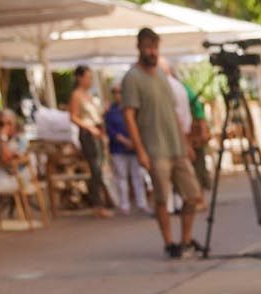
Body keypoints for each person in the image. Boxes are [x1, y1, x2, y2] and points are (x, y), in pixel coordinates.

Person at [122, 28, 205, 259]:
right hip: (155, 147)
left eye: (155, 47)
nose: (152, 52)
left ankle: (186, 240)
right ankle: (169, 242)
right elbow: (129, 115)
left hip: (175, 145)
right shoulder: (132, 78)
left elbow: (173, 112)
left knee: (192, 195)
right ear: (139, 47)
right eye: (148, 47)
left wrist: (185, 142)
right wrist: (140, 150)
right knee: (162, 197)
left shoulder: (160, 74)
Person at [67, 66, 113, 217]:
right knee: (95, 168)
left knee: (100, 166)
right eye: (87, 77)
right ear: (80, 78)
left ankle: (103, 201)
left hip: (97, 132)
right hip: (88, 134)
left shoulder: (89, 95)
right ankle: (97, 204)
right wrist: (90, 127)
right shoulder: (76, 95)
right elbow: (73, 116)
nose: (90, 80)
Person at [104, 95, 145, 215]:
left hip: (134, 148)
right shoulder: (111, 112)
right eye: (115, 92)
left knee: (138, 176)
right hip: (118, 149)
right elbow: (110, 130)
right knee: (121, 177)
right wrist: (123, 140)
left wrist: (135, 142)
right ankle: (124, 205)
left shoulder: (135, 108)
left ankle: (141, 203)